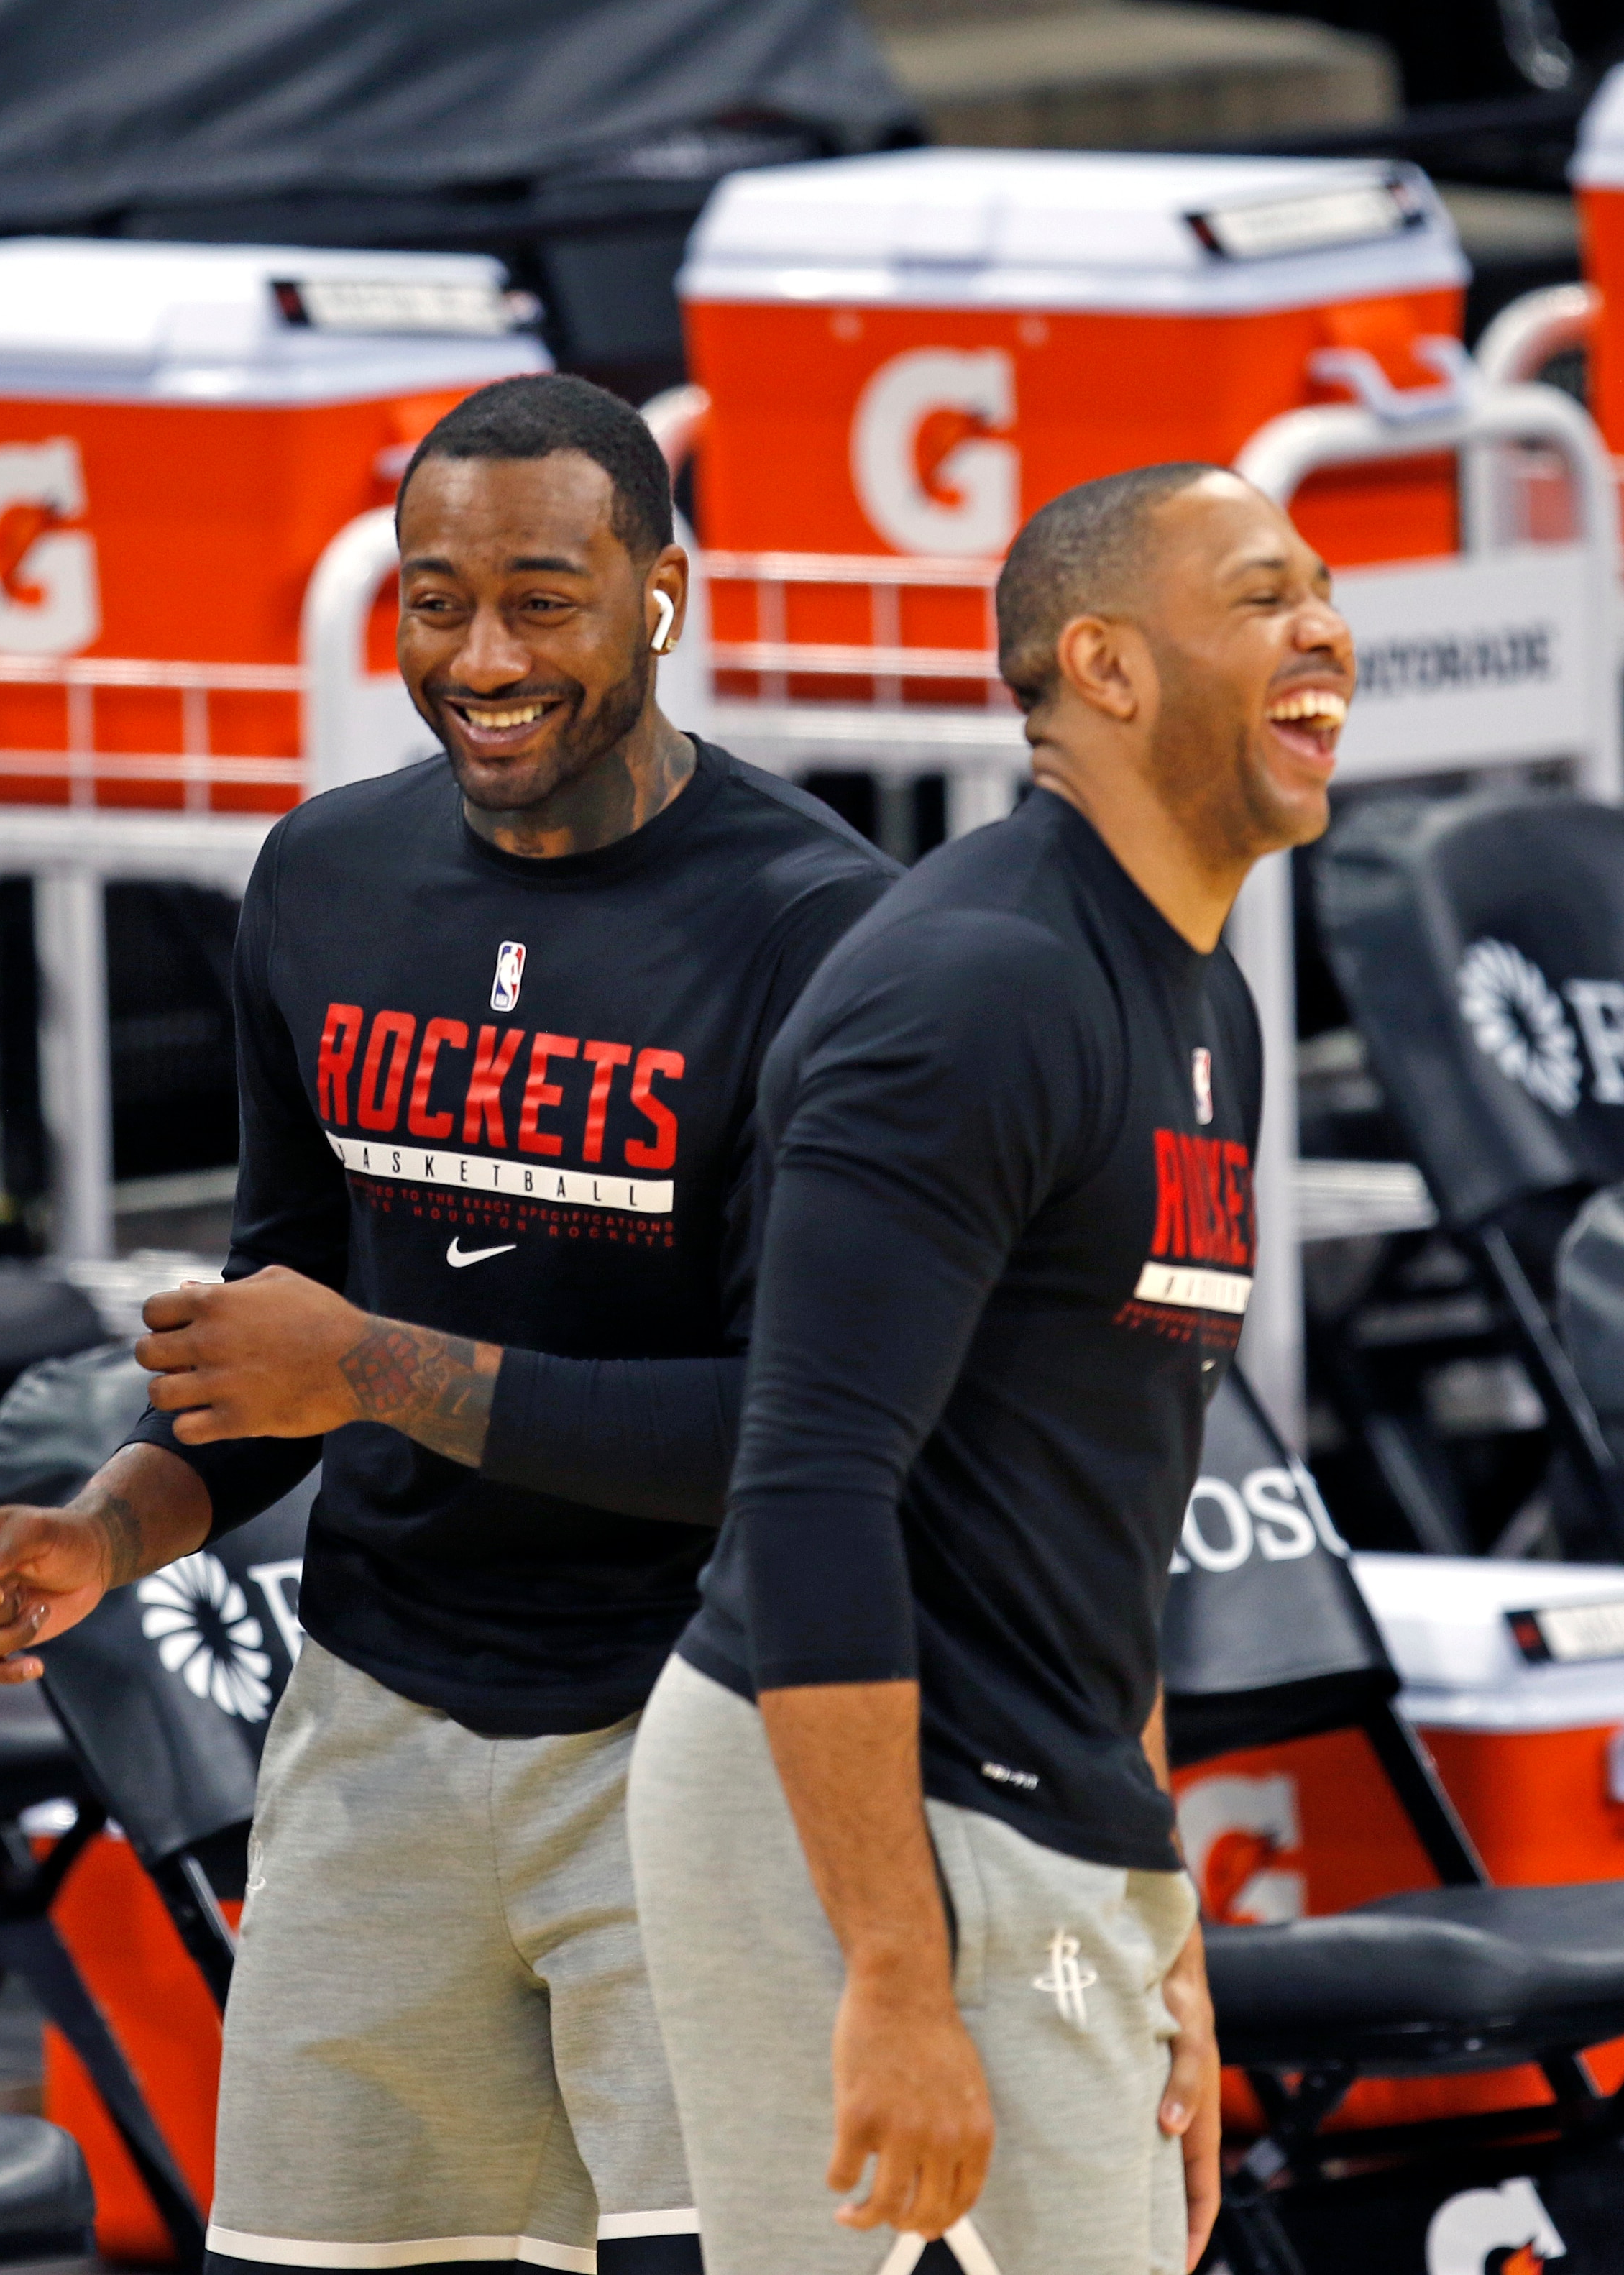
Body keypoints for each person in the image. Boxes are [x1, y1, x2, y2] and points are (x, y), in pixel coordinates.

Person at [0, 373, 896, 2275]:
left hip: (697, 1738)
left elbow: (806, 1436)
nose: (481, 655)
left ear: (663, 593)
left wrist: (372, 1369)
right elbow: (275, 1335)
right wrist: (107, 1530)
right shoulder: (324, 876)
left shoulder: (824, 930)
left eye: (542, 596)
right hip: (375, 1717)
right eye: (432, 598)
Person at [630, 463, 1352, 2275]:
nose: (1326, 628)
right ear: (1103, 666)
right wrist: (888, 1972)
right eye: (1266, 594)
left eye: (1322, 591)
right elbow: (807, 1488)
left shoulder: (1208, 997)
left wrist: (1154, 1897)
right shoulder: (971, 989)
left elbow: (1101, 1494)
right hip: (863, 1810)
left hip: (1039, 1796)